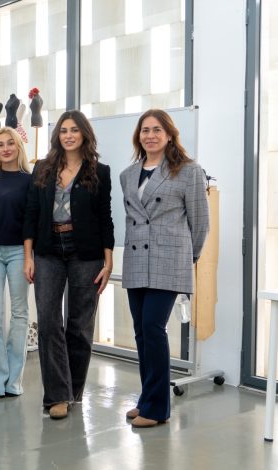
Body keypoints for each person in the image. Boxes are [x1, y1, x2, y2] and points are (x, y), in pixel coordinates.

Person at [121, 109, 209, 428]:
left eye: (157, 129)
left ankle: (158, 409)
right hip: (136, 260)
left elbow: (201, 222)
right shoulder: (128, 174)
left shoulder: (188, 171)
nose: (151, 135)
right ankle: (147, 398)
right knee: (142, 332)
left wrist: (188, 257)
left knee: (153, 327)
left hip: (169, 260)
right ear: (138, 136)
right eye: (145, 130)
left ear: (169, 135)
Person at [23, 109, 114, 420]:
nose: (69, 135)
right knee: (49, 321)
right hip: (48, 250)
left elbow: (105, 218)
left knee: (79, 324)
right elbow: (31, 213)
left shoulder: (99, 172)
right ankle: (57, 395)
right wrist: (28, 256)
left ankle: (72, 392)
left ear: (84, 134)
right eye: (64, 130)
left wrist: (108, 260)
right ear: (57, 135)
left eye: (74, 130)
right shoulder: (43, 168)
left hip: (86, 253)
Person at [0, 127, 32, 398]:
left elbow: (31, 221)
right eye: (0, 144)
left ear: (18, 146)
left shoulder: (29, 180)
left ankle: (14, 380)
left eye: (11, 143)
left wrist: (30, 256)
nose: (6, 148)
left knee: (20, 315)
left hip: (19, 252)